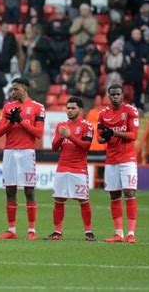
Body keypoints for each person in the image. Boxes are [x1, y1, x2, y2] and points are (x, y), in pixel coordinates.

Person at [0, 77, 45, 241]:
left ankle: (32, 229)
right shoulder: (8, 107)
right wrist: (11, 122)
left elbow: (38, 133)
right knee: (10, 191)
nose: (13, 92)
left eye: (16, 89)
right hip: (9, 152)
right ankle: (11, 229)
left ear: (24, 88)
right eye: (12, 89)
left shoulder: (37, 107)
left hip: (26, 152)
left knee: (29, 191)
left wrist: (21, 121)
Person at [48, 96, 95, 241]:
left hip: (78, 169)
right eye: (68, 108)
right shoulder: (61, 125)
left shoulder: (87, 126)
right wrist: (62, 137)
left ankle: (88, 232)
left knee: (83, 200)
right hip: (62, 167)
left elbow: (86, 147)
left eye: (73, 108)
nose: (69, 110)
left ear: (80, 110)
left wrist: (70, 136)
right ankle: (57, 232)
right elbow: (55, 147)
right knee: (59, 199)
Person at [97, 84, 139, 243]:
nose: (115, 97)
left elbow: (133, 135)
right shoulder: (103, 115)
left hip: (127, 160)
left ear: (123, 95)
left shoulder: (130, 111)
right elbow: (100, 138)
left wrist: (113, 132)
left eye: (118, 94)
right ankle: (118, 233)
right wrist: (105, 137)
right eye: (112, 95)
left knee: (129, 193)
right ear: (108, 96)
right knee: (114, 195)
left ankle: (131, 234)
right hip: (111, 160)